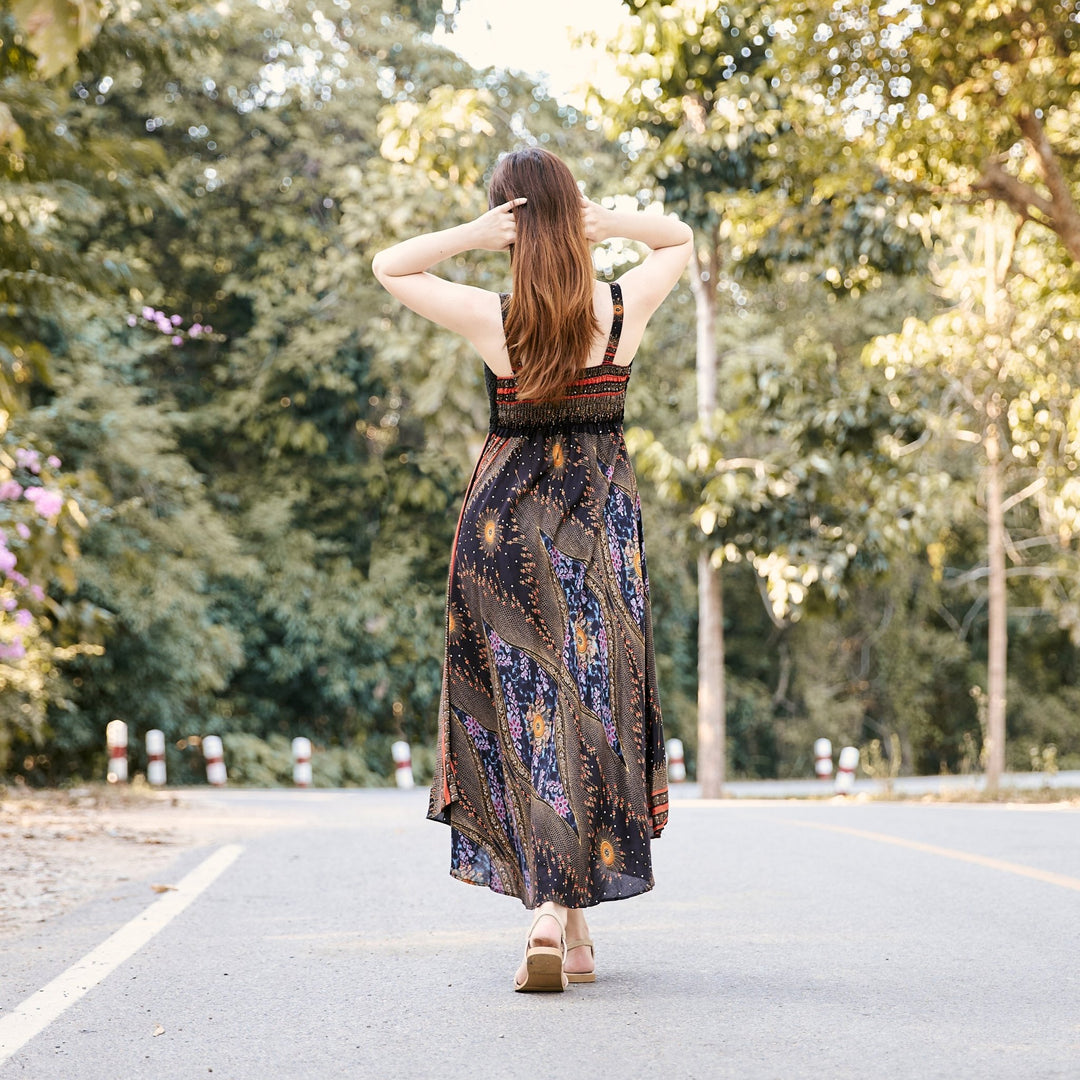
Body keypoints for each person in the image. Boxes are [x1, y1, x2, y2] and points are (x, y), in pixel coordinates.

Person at [371, 146, 693, 992]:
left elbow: (389, 264)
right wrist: (607, 222)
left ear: (509, 225)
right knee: (586, 711)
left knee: (528, 712)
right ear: (573, 213)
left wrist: (473, 237)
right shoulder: (621, 308)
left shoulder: (494, 315)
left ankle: (558, 922)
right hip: (596, 533)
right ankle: (565, 923)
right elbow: (680, 239)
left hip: (503, 531)